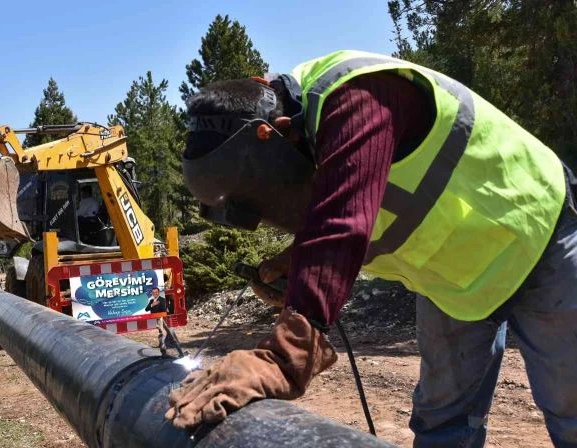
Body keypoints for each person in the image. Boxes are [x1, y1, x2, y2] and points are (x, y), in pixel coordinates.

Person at [167, 50, 577, 447]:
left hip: (537, 237)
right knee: (442, 422)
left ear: (274, 131)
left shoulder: (355, 95)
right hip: (457, 282)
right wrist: (298, 259)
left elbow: (343, 222)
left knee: (570, 406)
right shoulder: (308, 139)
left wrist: (285, 354)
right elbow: (353, 206)